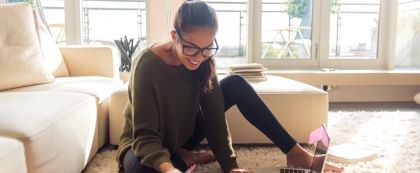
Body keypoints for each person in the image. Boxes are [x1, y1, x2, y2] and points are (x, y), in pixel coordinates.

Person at [116, 1, 343, 173]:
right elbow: (145, 136)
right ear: (174, 36)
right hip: (142, 143)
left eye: (207, 48)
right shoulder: (147, 66)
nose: (198, 57)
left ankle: (295, 153)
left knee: (235, 84)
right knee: (142, 170)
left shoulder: (205, 61)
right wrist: (169, 169)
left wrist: (230, 167)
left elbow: (215, 119)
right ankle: (183, 159)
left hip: (182, 135)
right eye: (191, 48)